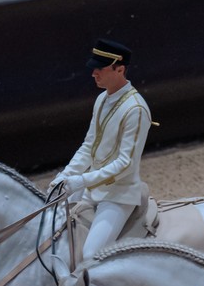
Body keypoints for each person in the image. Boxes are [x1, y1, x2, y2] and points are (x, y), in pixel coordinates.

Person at [51, 38, 153, 259]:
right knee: (50, 222)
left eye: (100, 68)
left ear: (120, 69)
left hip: (118, 195)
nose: (93, 73)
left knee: (91, 255)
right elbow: (89, 146)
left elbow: (125, 163)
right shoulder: (101, 100)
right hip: (91, 188)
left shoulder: (135, 109)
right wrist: (67, 174)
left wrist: (83, 180)